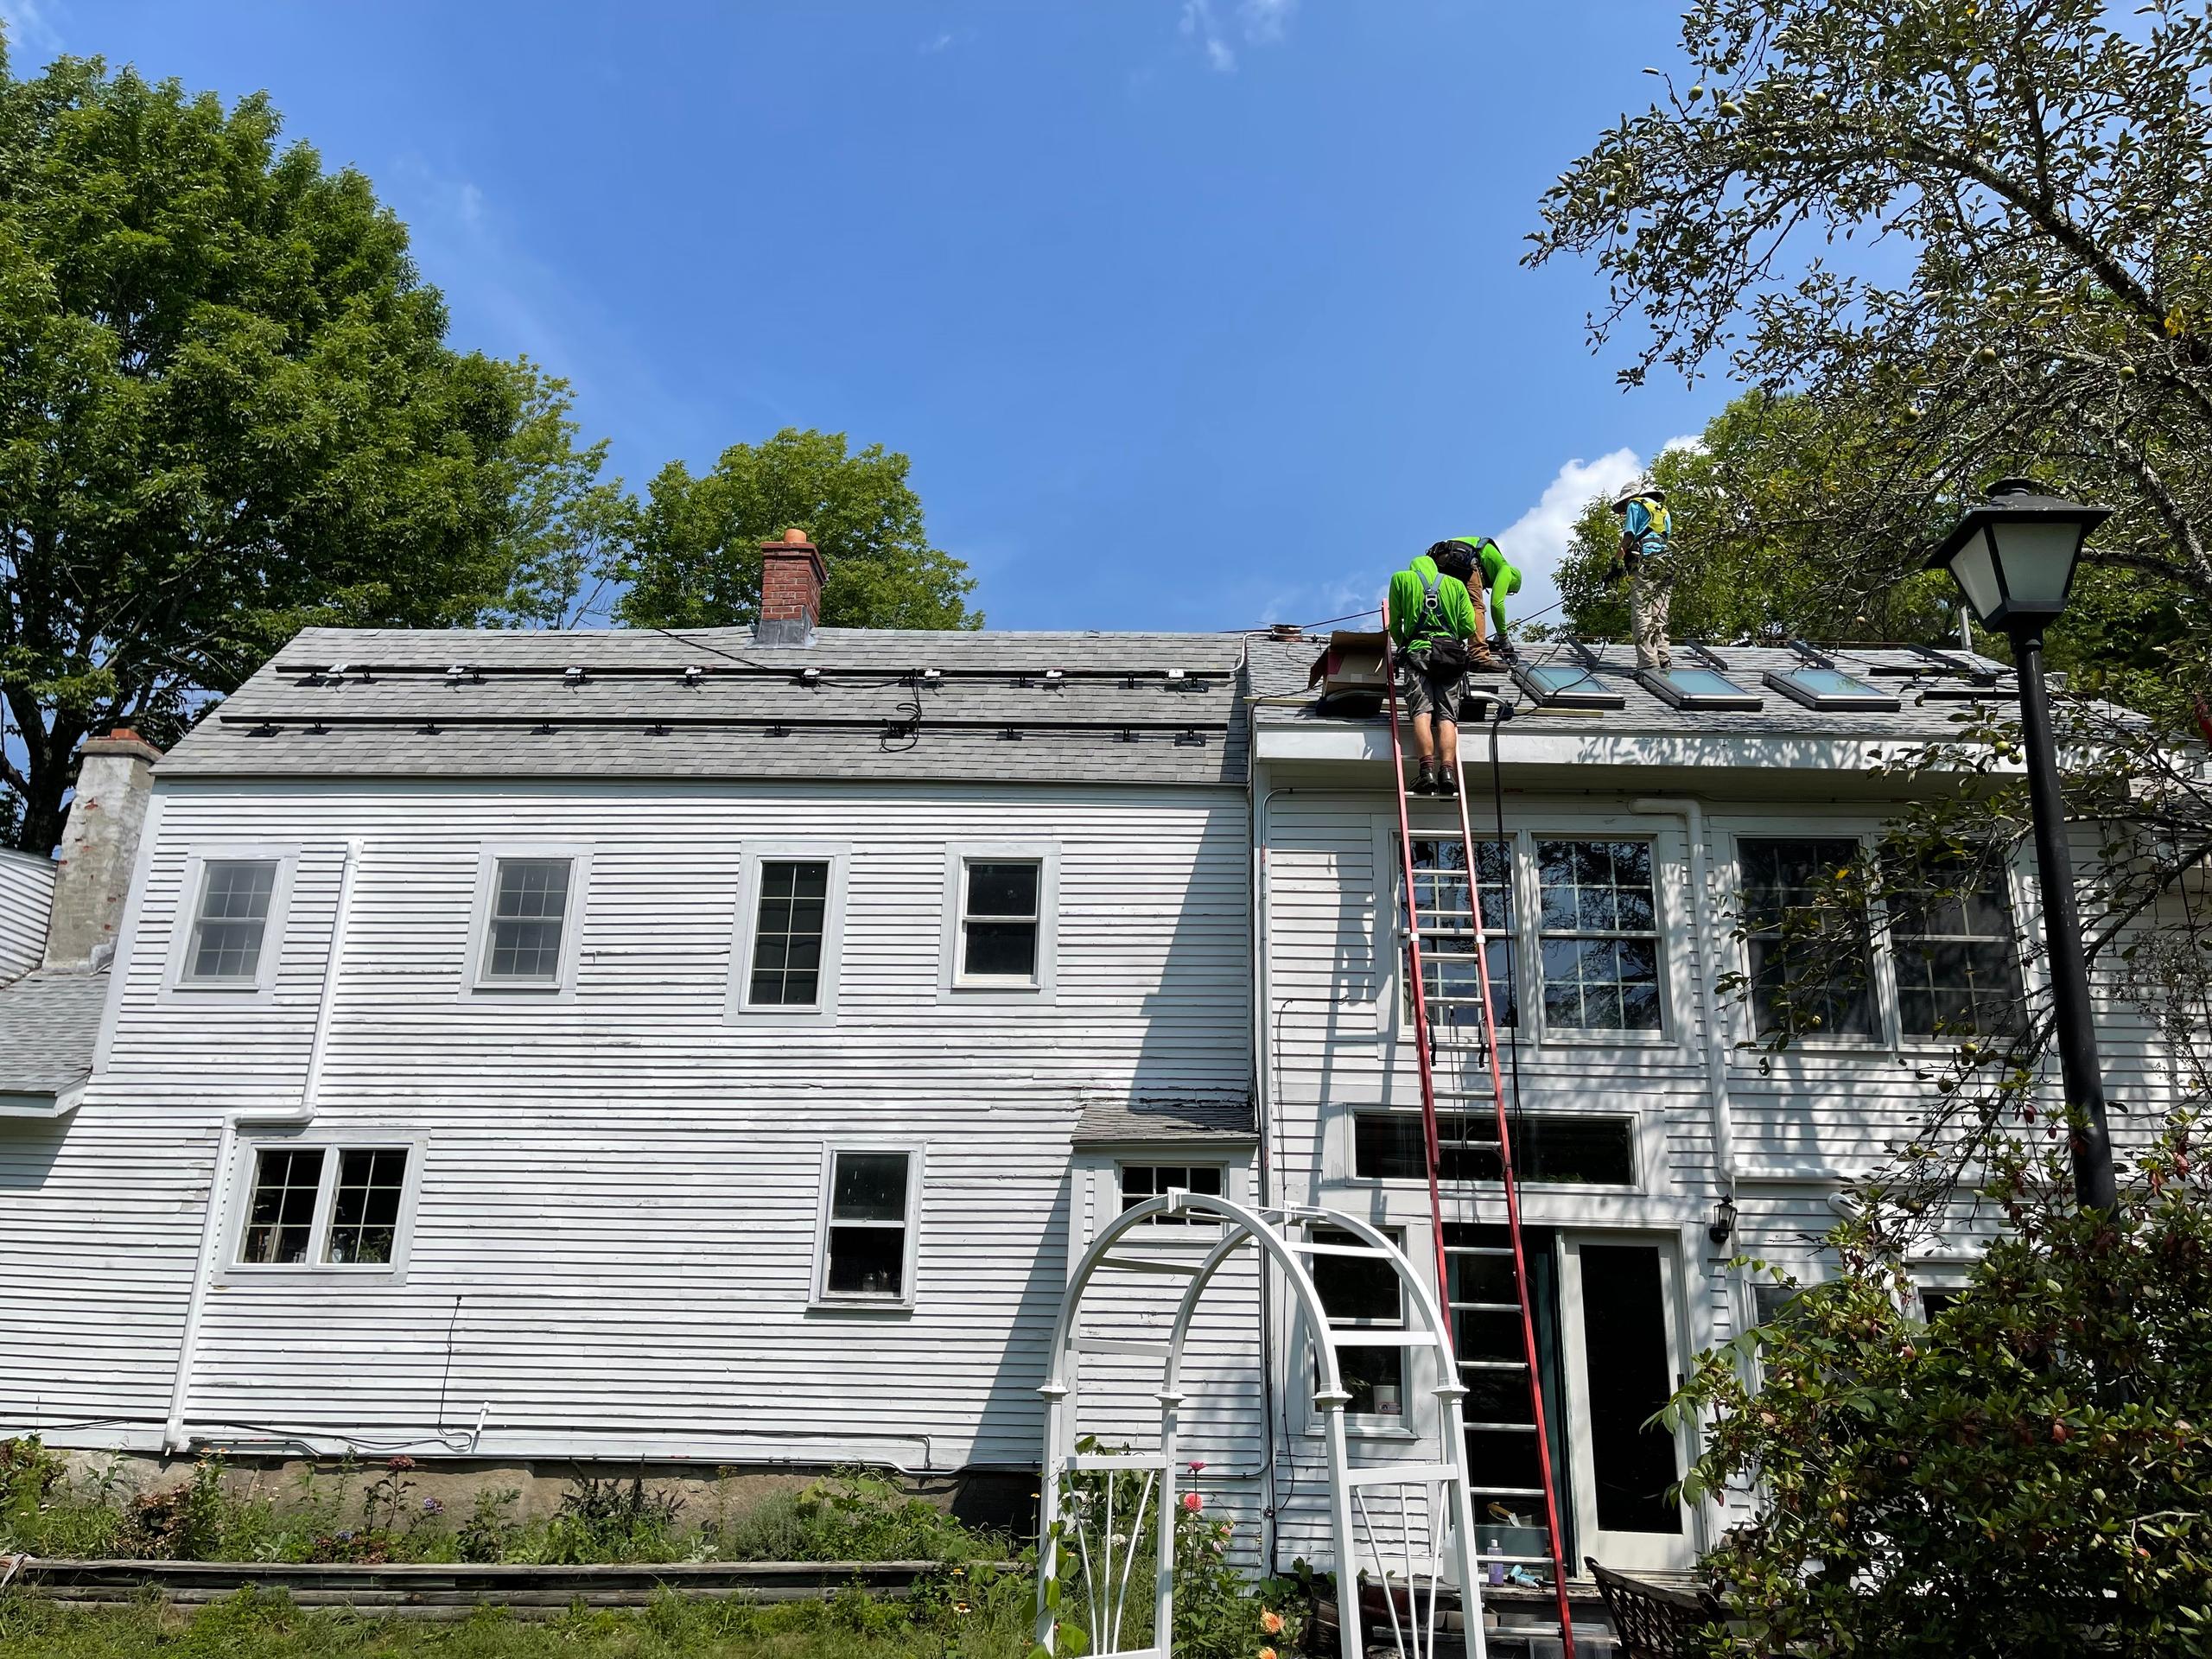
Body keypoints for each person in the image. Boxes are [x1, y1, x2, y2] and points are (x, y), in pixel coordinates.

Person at [1388, 540, 1483, 797]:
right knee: (1447, 717)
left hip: (1417, 653)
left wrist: (1404, 644)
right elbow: (1468, 628)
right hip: (1450, 656)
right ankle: (1448, 772)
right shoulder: (1455, 585)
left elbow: (1395, 623)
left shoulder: (1401, 579)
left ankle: (1426, 772)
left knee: (1421, 713)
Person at [1611, 483, 1674, 671]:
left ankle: (1648, 665)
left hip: (1644, 564)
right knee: (1659, 615)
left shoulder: (1635, 504)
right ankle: (1664, 659)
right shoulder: (1663, 510)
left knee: (1642, 613)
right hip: (1666, 565)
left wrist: (1615, 563)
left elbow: (1628, 538)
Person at [1427, 537, 1523, 660]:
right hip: (1462, 558)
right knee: (1477, 606)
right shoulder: (1506, 570)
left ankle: (1448, 643)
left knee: (1453, 605)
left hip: (1438, 558)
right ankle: (1479, 653)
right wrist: (1503, 639)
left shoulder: (1490, 566)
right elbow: (1496, 605)